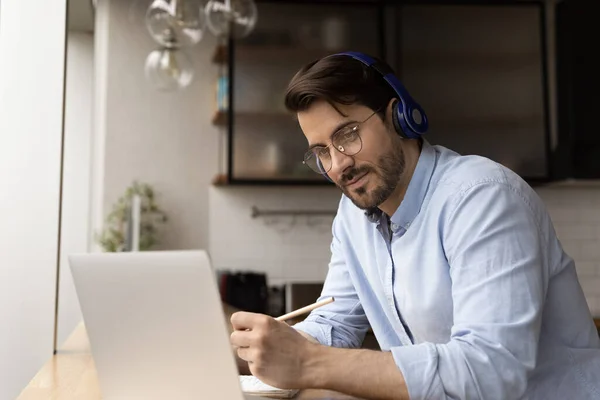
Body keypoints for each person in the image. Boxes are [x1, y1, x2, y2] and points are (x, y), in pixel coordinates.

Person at [229, 52, 600, 400]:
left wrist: (308, 362)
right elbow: (335, 325)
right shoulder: (352, 216)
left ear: (399, 116)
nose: (338, 165)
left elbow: (492, 371)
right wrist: (268, 348)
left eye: (347, 135)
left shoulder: (483, 197)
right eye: (322, 151)